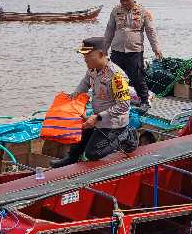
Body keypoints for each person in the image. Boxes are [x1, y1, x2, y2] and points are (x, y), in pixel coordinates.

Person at [51, 37, 132, 167]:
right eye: (84, 55)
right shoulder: (93, 69)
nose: (84, 58)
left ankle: (124, 136)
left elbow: (123, 105)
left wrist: (98, 117)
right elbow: (84, 83)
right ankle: (71, 158)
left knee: (92, 153)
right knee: (80, 133)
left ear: (100, 54)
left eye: (88, 55)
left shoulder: (116, 76)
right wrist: (73, 97)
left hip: (113, 123)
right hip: (97, 119)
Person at [103, 0, 162, 115]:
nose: (124, 2)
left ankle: (144, 101)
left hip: (135, 50)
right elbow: (109, 30)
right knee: (114, 77)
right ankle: (114, 100)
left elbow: (151, 31)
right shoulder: (115, 10)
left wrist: (156, 48)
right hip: (117, 50)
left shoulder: (143, 11)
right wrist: (104, 49)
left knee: (137, 77)